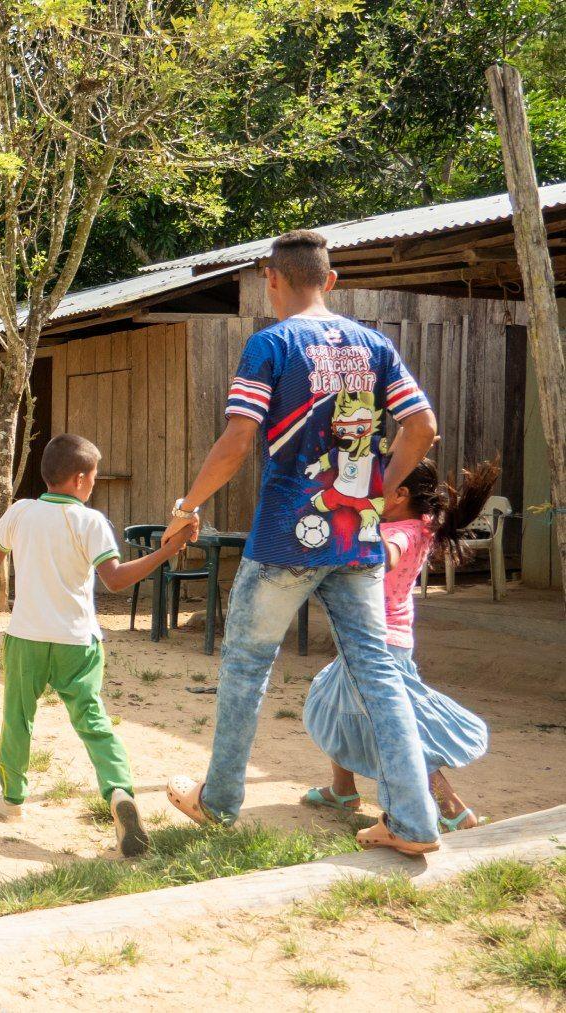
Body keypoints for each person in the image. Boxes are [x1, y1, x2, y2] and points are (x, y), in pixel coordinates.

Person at [160, 229, 442, 856]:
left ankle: (220, 800)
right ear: (331, 281)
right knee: (380, 674)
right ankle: (414, 822)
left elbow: (238, 441)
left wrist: (187, 506)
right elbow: (422, 426)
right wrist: (376, 487)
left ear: (272, 279)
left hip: (287, 540)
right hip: (357, 538)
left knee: (245, 666)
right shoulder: (376, 346)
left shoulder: (271, 345)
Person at [0, 434, 196, 857]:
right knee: (92, 720)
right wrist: (168, 551)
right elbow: (116, 579)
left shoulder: (21, 512)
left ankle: (11, 799)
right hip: (77, 641)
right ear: (81, 479)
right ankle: (120, 793)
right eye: (95, 477)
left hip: (26, 636)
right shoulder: (90, 521)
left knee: (17, 719)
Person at [302, 460, 496, 833]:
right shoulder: (423, 523)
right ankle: (343, 791)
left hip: (378, 647)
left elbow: (390, 553)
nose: (368, 491)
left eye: (378, 484)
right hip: (387, 642)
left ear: (400, 494)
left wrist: (353, 543)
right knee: (331, 699)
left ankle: (454, 810)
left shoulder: (401, 532)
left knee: (396, 731)